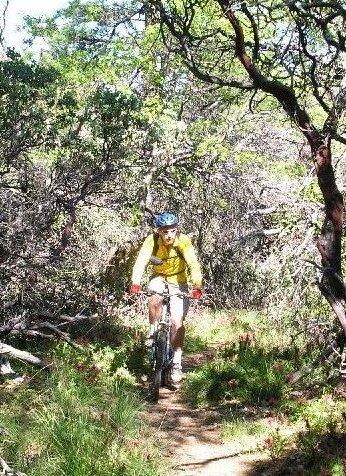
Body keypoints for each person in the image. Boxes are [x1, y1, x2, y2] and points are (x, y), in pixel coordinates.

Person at [129, 212, 203, 384]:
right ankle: (153, 330)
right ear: (159, 231)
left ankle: (176, 363)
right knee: (154, 295)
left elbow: (192, 263)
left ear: (176, 230)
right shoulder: (152, 240)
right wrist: (135, 282)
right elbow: (141, 261)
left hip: (179, 280)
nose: (169, 235)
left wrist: (197, 285)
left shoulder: (183, 241)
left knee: (178, 322)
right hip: (159, 277)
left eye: (172, 231)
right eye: (165, 231)